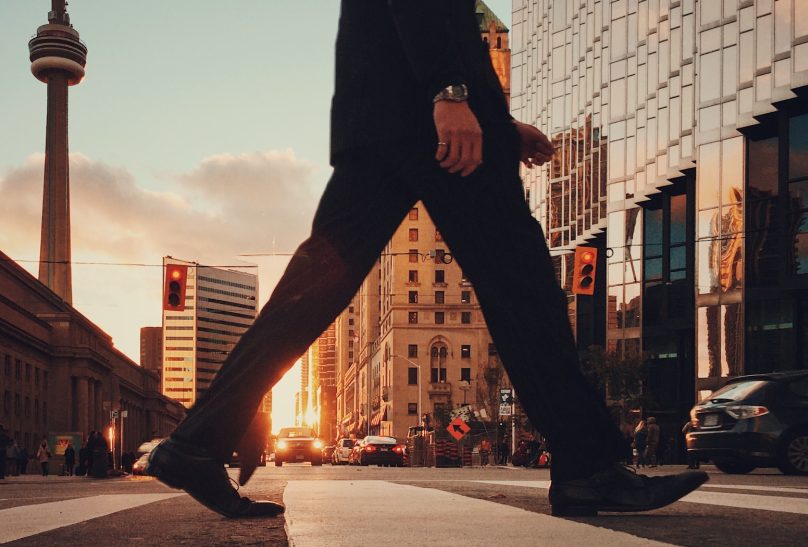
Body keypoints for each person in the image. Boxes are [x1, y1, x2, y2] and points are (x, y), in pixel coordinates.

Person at [146, 0, 708, 518]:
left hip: (384, 120)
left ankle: (197, 442)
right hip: (425, 120)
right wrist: (451, 92)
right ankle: (588, 467)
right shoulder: (443, 98)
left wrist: (494, 122)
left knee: (312, 291)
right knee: (525, 289)